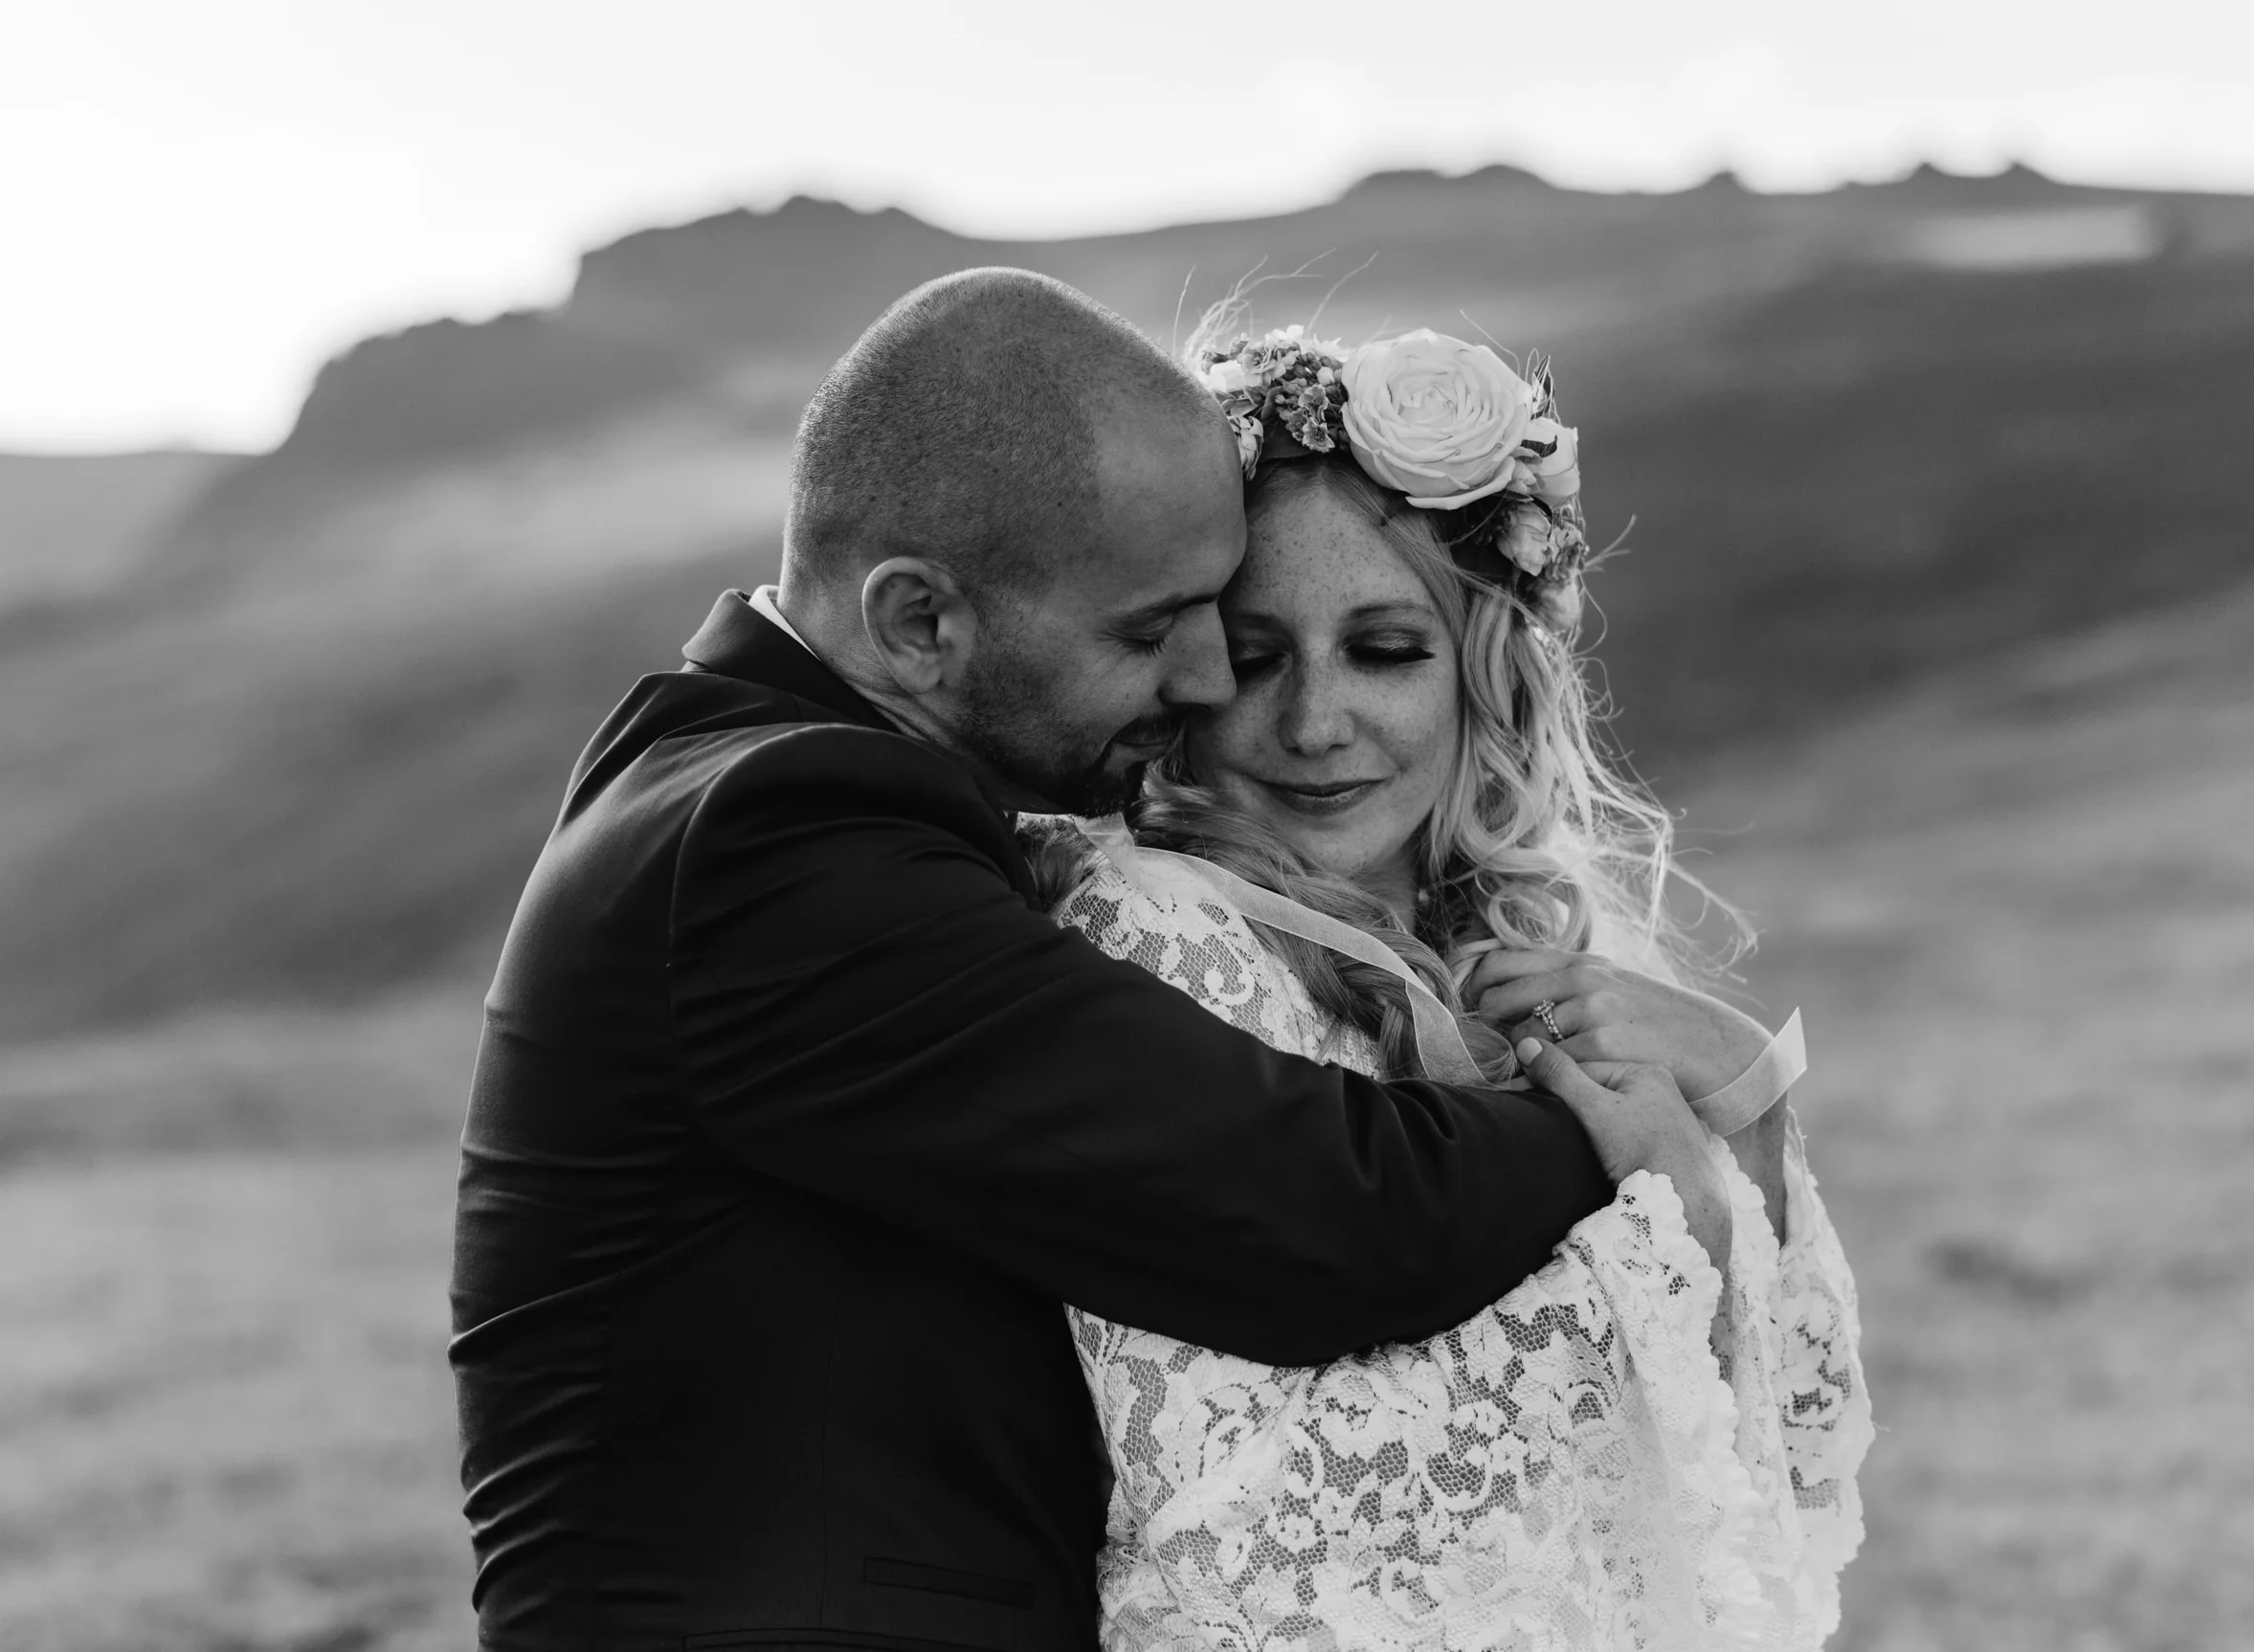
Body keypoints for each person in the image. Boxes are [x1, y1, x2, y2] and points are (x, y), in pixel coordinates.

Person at [449, 270, 1682, 1652]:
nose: (1212, 682)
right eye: (1151, 629)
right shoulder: (775, 843)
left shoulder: (760, 796)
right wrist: (1604, 1120)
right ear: (919, 622)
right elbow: (1314, 1205)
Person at [1026, 321, 1872, 1649]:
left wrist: (1743, 1088)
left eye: (1383, 647)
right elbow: (1257, 1522)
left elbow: (1792, 1459)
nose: (1312, 722)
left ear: (1485, 668)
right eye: (1256, 657)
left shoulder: (1516, 955)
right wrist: (1672, 1225)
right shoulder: (1155, 940)